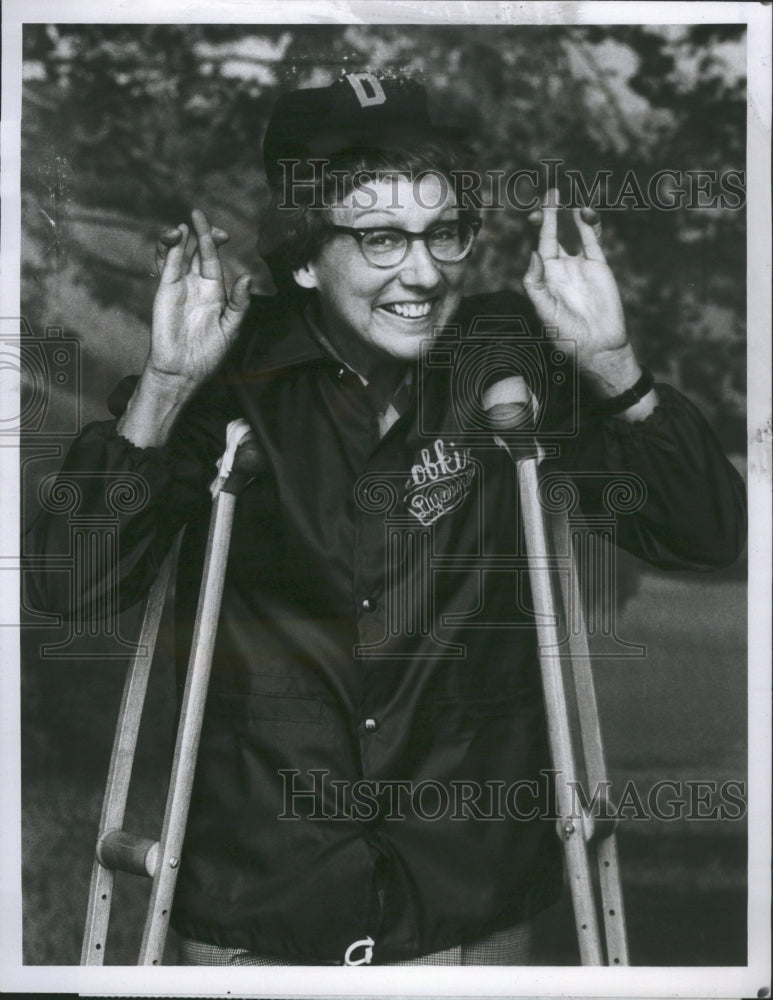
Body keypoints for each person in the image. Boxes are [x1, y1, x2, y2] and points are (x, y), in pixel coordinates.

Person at [27, 72, 746, 966]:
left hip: (465, 902)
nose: (423, 270)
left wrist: (613, 367)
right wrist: (167, 388)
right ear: (300, 255)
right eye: (379, 239)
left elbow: (707, 537)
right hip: (263, 899)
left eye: (443, 233)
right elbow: (72, 589)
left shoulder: (505, 358)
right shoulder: (225, 376)